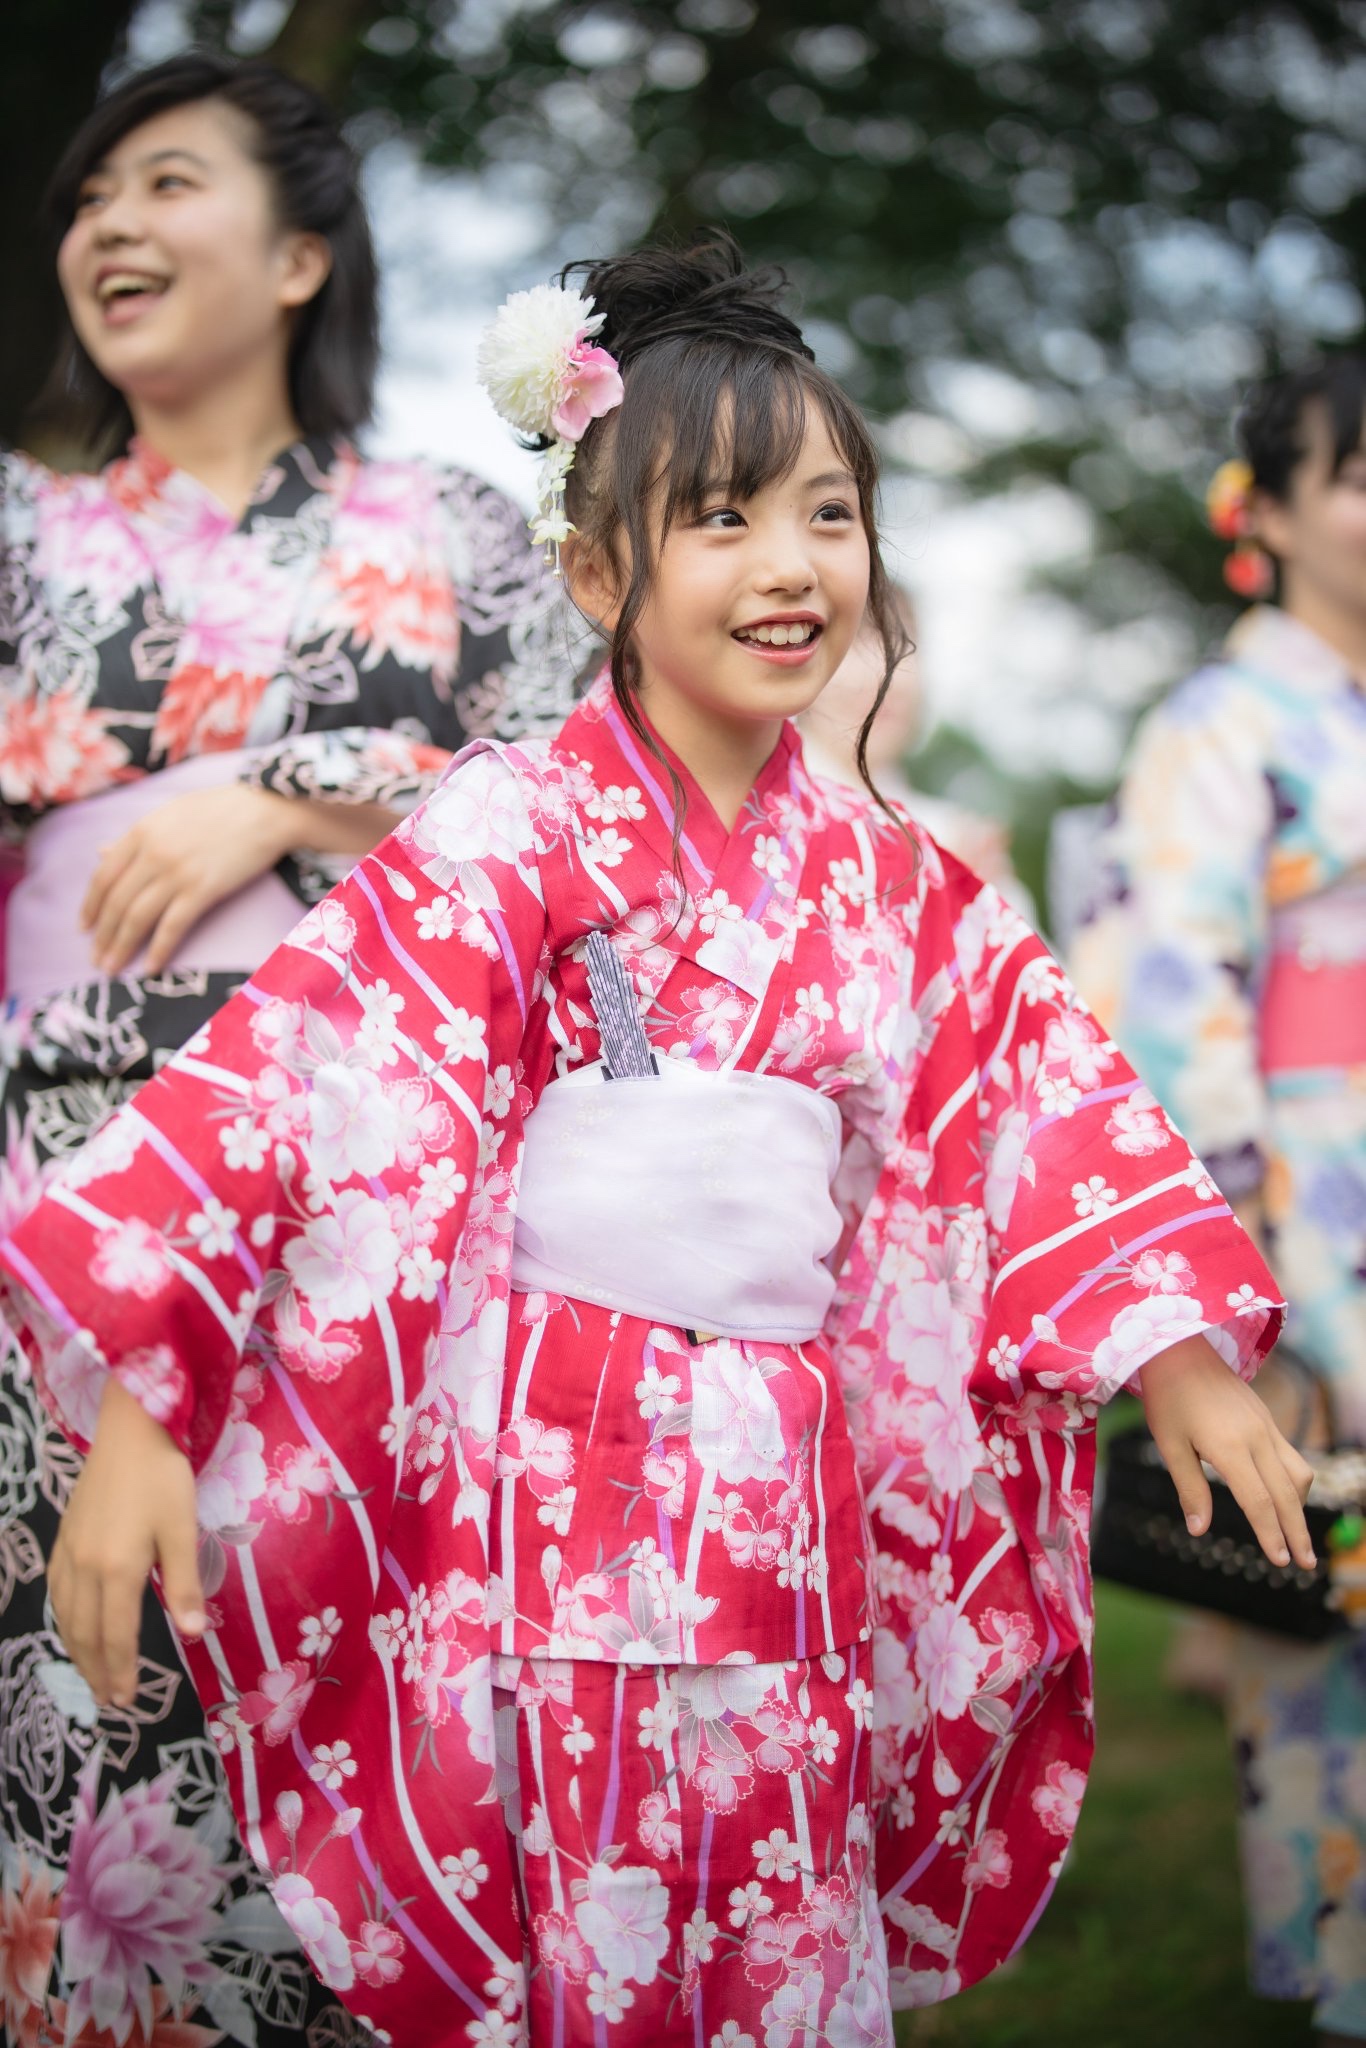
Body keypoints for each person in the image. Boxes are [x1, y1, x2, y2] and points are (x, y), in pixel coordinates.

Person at [0, 237, 1312, 2046]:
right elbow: (305, 1082)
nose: (791, 565)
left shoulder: (887, 873)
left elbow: (1030, 1084)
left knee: (785, 1892)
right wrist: (148, 1407)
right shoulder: (513, 826)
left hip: (791, 1489)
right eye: (722, 518)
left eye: (830, 514)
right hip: (556, 1489)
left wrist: (1172, 1350)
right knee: (588, 1919)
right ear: (597, 570)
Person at [0, 52, 568, 2048]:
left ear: (304, 254)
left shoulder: (460, 529)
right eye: (89, 199)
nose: (111, 225)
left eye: (165, 182)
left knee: (368, 1660)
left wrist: (293, 792)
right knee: (83, 1675)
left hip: (381, 1185)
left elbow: (589, 804)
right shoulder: (18, 531)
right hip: (58, 1184)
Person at [1072, 355, 1366, 2047]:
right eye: (1357, 474)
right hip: (1312, 1195)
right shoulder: (1219, 721)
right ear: (1272, 511)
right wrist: (1228, 1248)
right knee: (1324, 1582)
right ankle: (1342, 1973)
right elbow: (1172, 989)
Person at [801, 592, 1034, 912]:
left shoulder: (951, 835)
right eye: (855, 641)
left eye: (903, 642)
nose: (887, 672)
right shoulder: (761, 814)